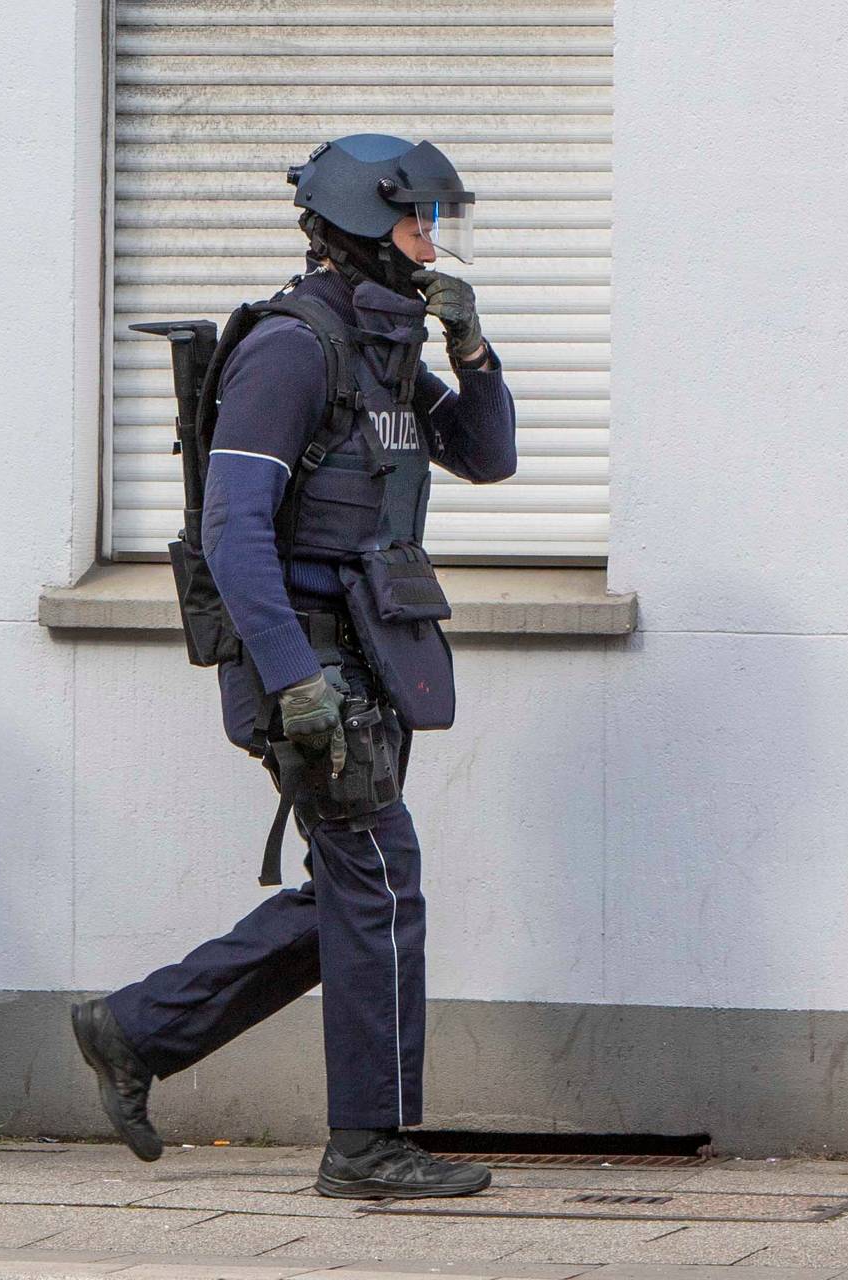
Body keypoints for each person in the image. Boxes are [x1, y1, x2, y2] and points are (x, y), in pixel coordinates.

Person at [70, 135, 517, 1199]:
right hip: (307, 657)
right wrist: (289, 677)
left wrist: (474, 353)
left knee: (350, 889)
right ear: (365, 221)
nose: (432, 239)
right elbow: (232, 530)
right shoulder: (291, 346)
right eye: (417, 218)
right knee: (379, 876)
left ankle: (133, 1027)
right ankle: (364, 1143)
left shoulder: (384, 347)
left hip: (372, 644)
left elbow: (488, 456)